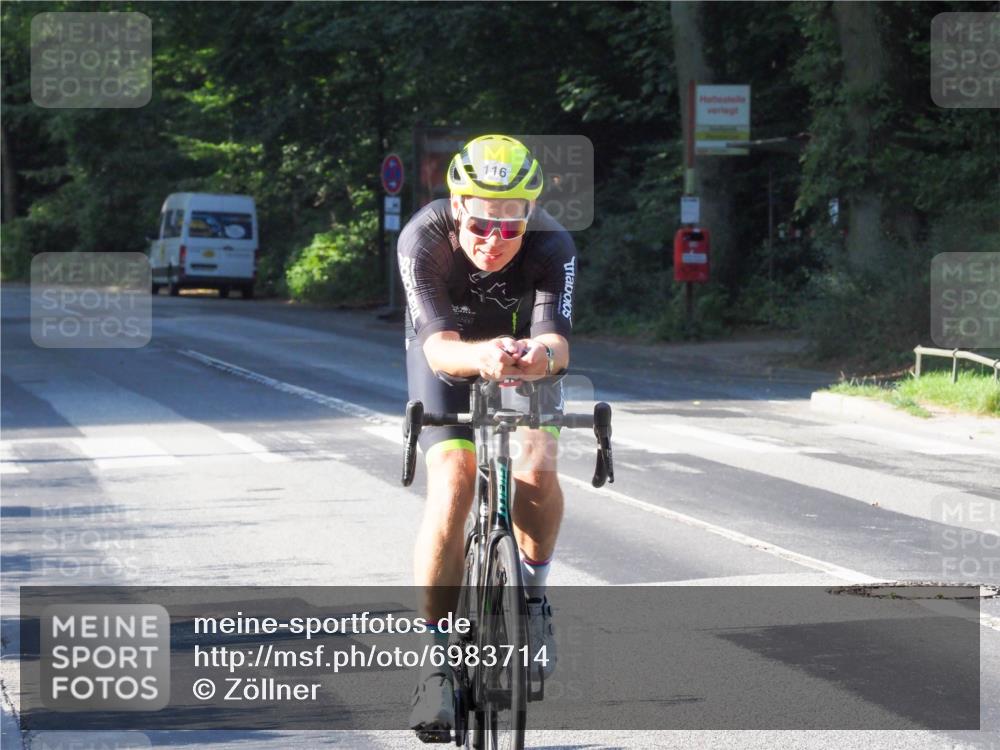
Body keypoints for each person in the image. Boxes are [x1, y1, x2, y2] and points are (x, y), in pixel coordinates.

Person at [399, 134, 577, 741]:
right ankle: (437, 660)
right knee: (451, 482)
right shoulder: (423, 238)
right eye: (480, 224)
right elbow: (439, 348)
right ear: (456, 204)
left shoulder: (553, 244)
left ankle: (533, 600)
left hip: (521, 356)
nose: (494, 241)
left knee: (539, 460)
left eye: (511, 227)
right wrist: (486, 356)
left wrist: (536, 358)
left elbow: (558, 340)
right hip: (450, 352)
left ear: (530, 215)